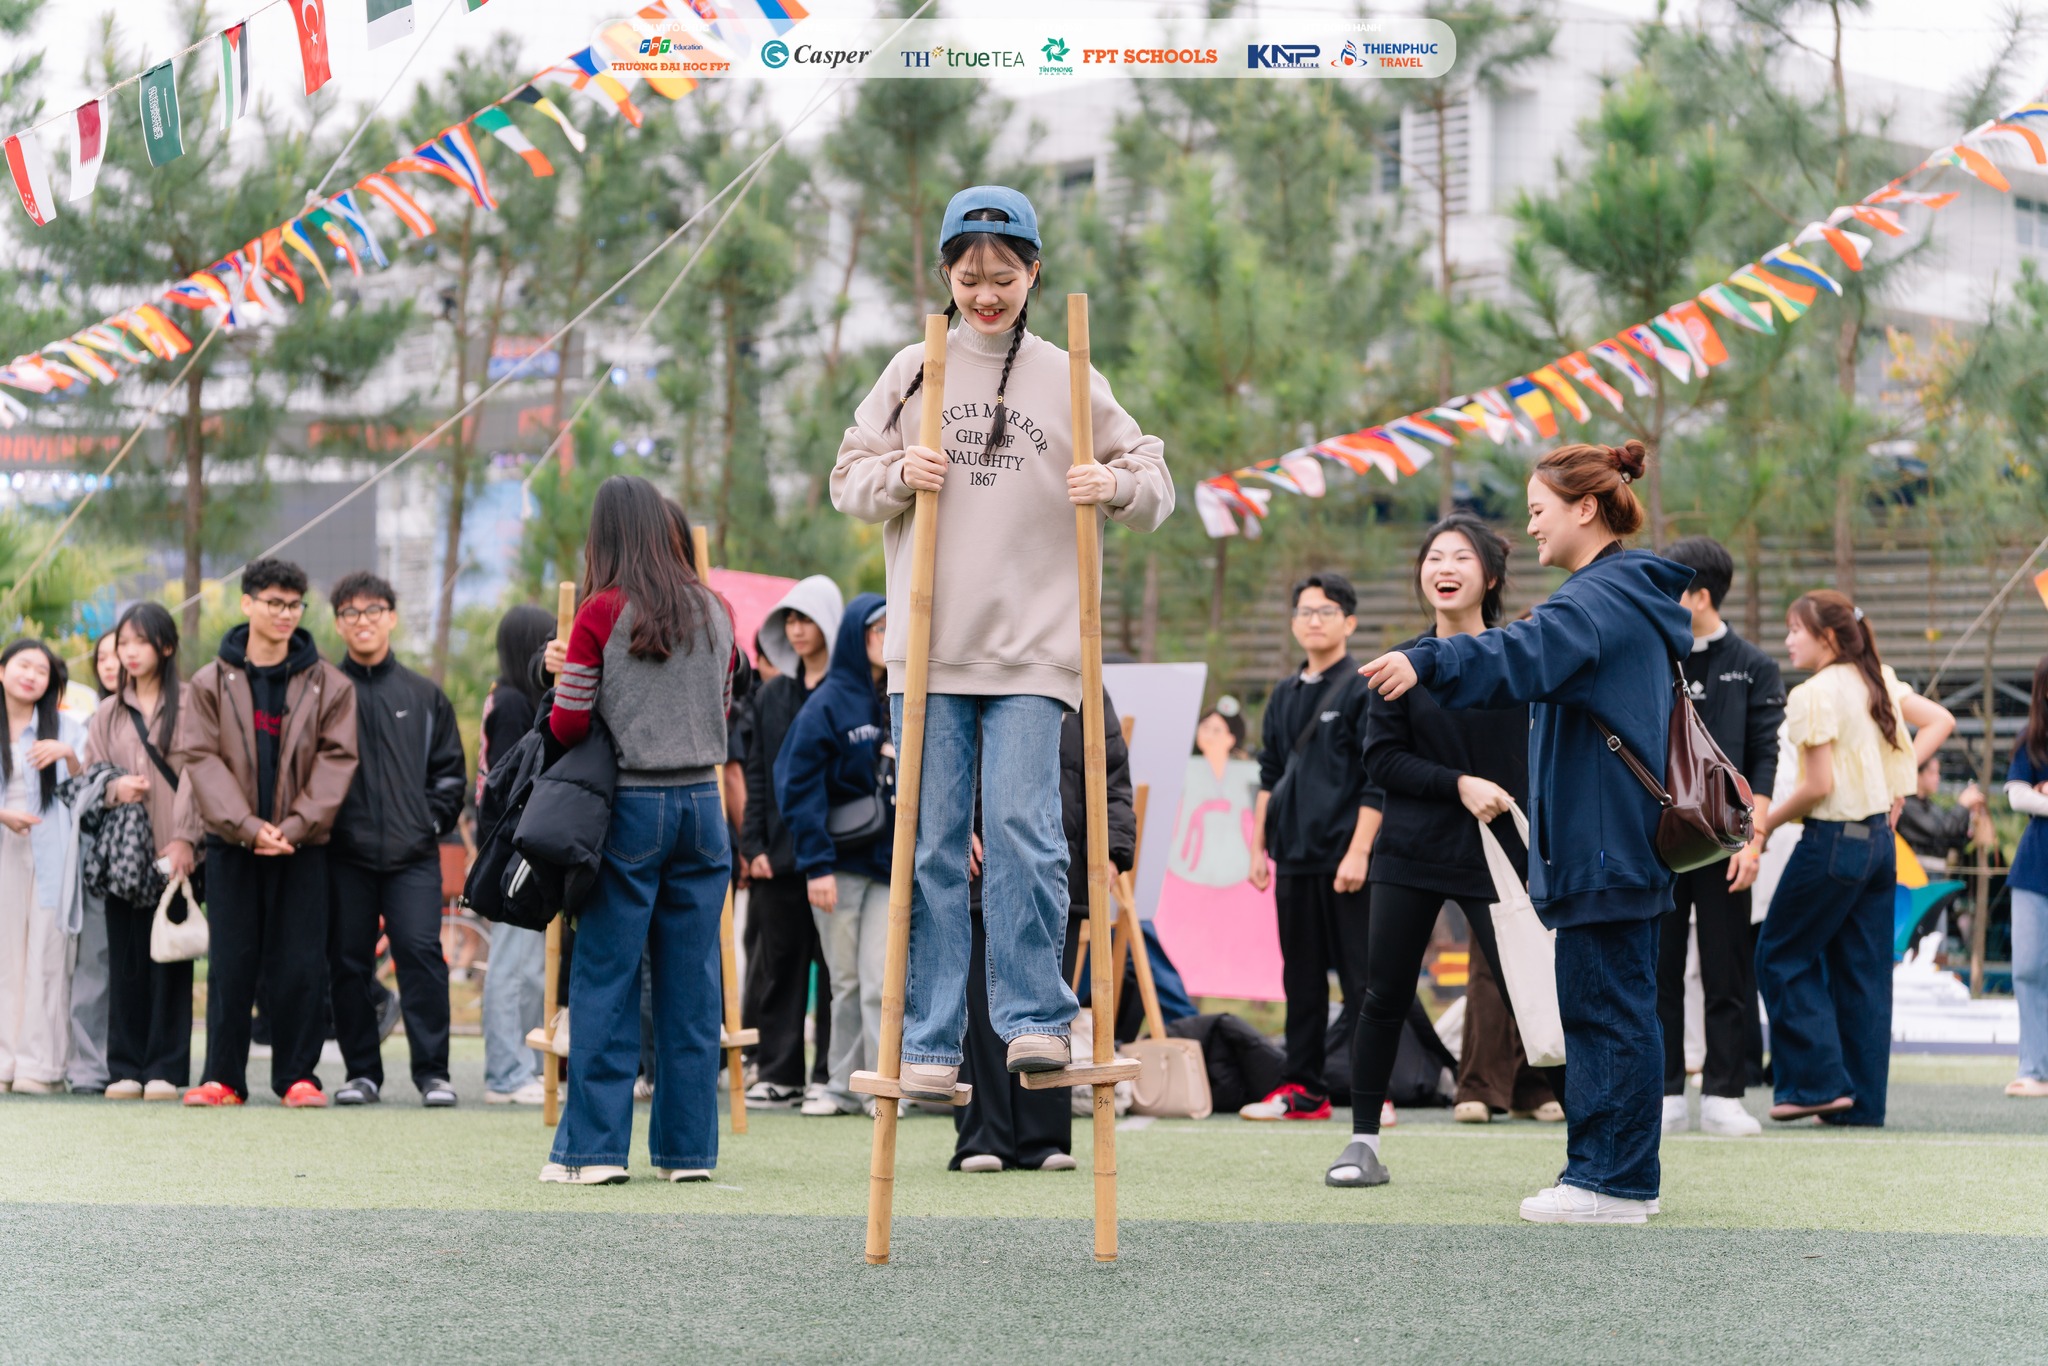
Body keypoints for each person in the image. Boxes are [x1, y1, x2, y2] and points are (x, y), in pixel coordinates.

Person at [831, 184, 1172, 1100]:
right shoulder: (915, 369)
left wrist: (1114, 485)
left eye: (1005, 277)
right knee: (933, 845)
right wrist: (898, 471)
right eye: (970, 277)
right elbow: (847, 477)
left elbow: (1153, 476)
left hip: (1034, 649)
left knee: (1026, 832)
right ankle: (931, 1039)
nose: (986, 294)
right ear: (946, 275)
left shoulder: (1069, 372)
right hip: (929, 650)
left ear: (1034, 274)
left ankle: (1035, 1019)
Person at [1361, 440, 1693, 1225]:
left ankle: (1606, 1182)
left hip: (1602, 841)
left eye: (1540, 510)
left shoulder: (1597, 599)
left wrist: (1429, 662)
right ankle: (1624, 1177)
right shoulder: (1622, 593)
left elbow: (1520, 651)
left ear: (1587, 508)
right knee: (1621, 1010)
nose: (1533, 526)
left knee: (1603, 1012)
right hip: (1621, 839)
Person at [1331, 515, 1541, 1185]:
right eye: (1434, 557)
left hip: (1500, 852)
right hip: (1412, 849)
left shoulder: (1518, 660)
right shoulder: (1398, 664)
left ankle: (1590, 1150)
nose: (1444, 568)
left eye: (1461, 557)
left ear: (1492, 577)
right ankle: (1362, 1142)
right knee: (1383, 996)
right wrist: (1458, 785)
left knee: (1534, 993)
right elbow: (1382, 759)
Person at [540, 476, 734, 1185]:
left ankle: (593, 1152)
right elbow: (723, 704)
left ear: (606, 535)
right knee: (692, 986)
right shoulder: (715, 608)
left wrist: (564, 673)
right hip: (703, 806)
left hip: (630, 807)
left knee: (607, 980)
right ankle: (688, 1155)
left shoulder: (599, 613)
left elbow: (568, 724)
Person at [1754, 590, 1953, 1128]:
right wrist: (1896, 783)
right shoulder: (1877, 678)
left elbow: (1817, 786)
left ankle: (1817, 1085)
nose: (1788, 640)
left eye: (1796, 630)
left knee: (1778, 954)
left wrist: (1763, 824)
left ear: (1827, 637)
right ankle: (1860, 1104)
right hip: (1879, 847)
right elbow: (1941, 720)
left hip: (1832, 842)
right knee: (1864, 974)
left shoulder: (1813, 694)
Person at [175, 558, 358, 1108]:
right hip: (232, 844)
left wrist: (294, 827)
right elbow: (200, 758)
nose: (285, 614)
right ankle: (223, 1078)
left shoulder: (330, 683)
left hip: (303, 845)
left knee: (301, 962)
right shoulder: (209, 681)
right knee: (230, 961)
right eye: (274, 602)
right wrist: (249, 827)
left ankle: (299, 1076)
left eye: (294, 604)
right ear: (247, 603)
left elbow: (337, 759)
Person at [955, 687, 1134, 1172]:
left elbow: (1112, 772)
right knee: (982, 1009)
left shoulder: (1083, 681)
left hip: (1059, 874)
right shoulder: (981, 671)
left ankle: (1043, 1140)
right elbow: (948, 760)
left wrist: (1113, 851)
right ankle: (983, 1138)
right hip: (982, 870)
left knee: (1049, 1008)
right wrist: (956, 829)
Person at [1652, 537, 1785, 1139]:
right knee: (1659, 966)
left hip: (1728, 841)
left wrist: (1754, 842)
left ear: (1700, 596)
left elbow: (1763, 759)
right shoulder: (1656, 656)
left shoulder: (1754, 666)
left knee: (1728, 968)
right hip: (1661, 839)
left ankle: (1725, 1093)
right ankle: (1664, 1092)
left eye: (1672, 587)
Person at [1240, 572, 1380, 1123]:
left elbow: (1376, 779)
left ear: (1349, 622)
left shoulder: (1363, 687)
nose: (1313, 621)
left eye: (1325, 611)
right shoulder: (1283, 694)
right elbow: (1269, 774)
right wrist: (1258, 848)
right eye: (1304, 612)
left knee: (1362, 981)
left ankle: (1375, 1091)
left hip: (1346, 861)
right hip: (1292, 858)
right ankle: (1303, 1089)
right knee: (1300, 979)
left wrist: (1360, 852)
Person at [323, 572, 465, 1108]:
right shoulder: (325, 692)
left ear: (392, 618)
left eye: (373, 611)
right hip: (345, 856)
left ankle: (433, 1073)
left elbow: (449, 773)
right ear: (338, 623)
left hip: (413, 856)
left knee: (421, 954)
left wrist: (427, 822)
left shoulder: (423, 695)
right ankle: (362, 1072)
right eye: (351, 612)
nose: (363, 621)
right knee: (349, 962)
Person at [775, 595, 891, 1117]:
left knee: (880, 981)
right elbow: (796, 784)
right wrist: (816, 865)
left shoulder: (904, 694)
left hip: (889, 866)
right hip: (838, 865)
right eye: (880, 629)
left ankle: (880, 1086)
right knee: (845, 981)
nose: (890, 638)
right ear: (855, 636)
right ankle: (842, 1085)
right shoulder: (828, 703)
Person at [87, 604, 201, 1101]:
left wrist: (186, 838)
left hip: (177, 851)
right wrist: (116, 789)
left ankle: (165, 1068)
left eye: (140, 642)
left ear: (166, 646)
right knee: (127, 959)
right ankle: (126, 1068)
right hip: (124, 856)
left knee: (171, 957)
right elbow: (91, 774)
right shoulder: (108, 712)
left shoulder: (194, 703)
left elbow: (199, 773)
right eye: (122, 645)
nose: (128, 653)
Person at [738, 576, 842, 1112]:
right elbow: (756, 773)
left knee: (837, 969)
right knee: (778, 966)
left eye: (807, 619)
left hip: (839, 853)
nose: (798, 630)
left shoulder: (850, 693)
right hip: (777, 855)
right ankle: (780, 1072)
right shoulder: (771, 695)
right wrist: (752, 842)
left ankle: (830, 1072)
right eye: (791, 621)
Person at [0, 639, 86, 1093]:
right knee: (5, 956)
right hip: (4, 847)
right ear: (2, 670)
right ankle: (4, 1064)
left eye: (42, 670)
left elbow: (90, 792)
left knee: (48, 958)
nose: (32, 675)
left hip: (53, 853)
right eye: (23, 665)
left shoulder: (67, 728)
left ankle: (41, 1067)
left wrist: (67, 756)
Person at [480, 604, 554, 1105]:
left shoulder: (505, 697)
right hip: (512, 846)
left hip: (514, 844)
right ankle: (507, 1072)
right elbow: (512, 783)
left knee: (528, 964)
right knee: (513, 963)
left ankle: (521, 1066)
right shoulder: (511, 703)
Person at [66, 628, 122, 1095]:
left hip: (152, 852)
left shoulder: (174, 713)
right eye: (102, 656)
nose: (110, 663)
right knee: (94, 960)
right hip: (95, 855)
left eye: (118, 653)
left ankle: (145, 1061)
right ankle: (89, 1066)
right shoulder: (84, 722)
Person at [2002, 654, 2048, 1099]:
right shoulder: (2030, 739)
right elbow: (2017, 796)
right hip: (2034, 872)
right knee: (2029, 968)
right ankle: (2034, 1069)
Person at [1898, 753, 1994, 876]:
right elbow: (1941, 830)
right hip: (1917, 873)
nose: (1937, 778)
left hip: (1935, 873)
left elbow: (1954, 837)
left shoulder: (1931, 806)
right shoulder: (1907, 805)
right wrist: (1962, 805)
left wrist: (1969, 813)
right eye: (1932, 773)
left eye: (1938, 773)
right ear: (1917, 774)